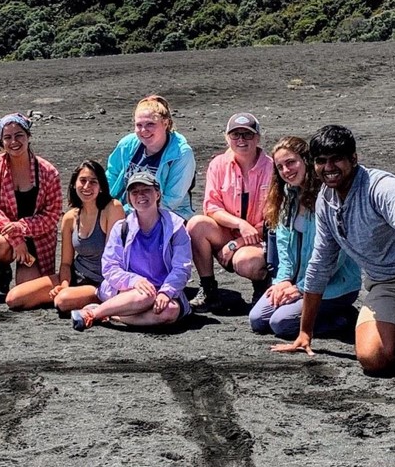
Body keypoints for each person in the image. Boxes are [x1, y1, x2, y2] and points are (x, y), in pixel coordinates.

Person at [273, 125, 395, 384]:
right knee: (373, 359)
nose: (329, 167)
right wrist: (305, 332)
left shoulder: (381, 187)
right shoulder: (326, 201)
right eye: (321, 161)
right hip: (386, 284)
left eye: (336, 159)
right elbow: (320, 264)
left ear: (354, 159)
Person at [249, 136, 360, 339]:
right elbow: (283, 247)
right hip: (297, 281)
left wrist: (301, 289)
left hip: (334, 285)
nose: (286, 171)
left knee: (281, 324)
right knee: (258, 320)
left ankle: (345, 318)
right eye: (280, 167)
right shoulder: (287, 198)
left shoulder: (328, 198)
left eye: (291, 162)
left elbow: (334, 257)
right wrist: (282, 281)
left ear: (306, 160)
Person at [70, 171, 192, 331]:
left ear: (157, 194)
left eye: (146, 190)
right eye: (135, 192)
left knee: (170, 311)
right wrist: (135, 281)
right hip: (129, 290)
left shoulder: (175, 227)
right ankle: (92, 314)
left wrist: (166, 292)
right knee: (145, 295)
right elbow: (109, 267)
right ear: (129, 199)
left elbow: (182, 268)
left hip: (163, 289)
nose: (140, 195)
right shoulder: (122, 228)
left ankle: (111, 314)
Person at [186, 112, 274, 311]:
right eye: (235, 135)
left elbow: (273, 220)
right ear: (227, 138)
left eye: (247, 134)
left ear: (258, 137)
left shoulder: (272, 168)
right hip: (229, 232)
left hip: (260, 238)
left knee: (247, 262)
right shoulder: (218, 164)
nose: (241, 140)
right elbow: (211, 206)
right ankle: (208, 290)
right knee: (196, 225)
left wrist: (238, 242)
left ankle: (262, 285)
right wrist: (240, 225)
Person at [0, 113, 62, 309]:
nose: (14, 142)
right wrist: (16, 239)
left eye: (19, 135)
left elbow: (52, 216)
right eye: (7, 137)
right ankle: (4, 268)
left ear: (28, 136)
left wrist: (22, 228)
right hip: (4, 235)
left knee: (26, 293)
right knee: (0, 246)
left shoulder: (48, 172)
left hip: (38, 236)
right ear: (0, 141)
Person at [106, 95, 197, 220]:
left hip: (167, 214)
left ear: (165, 123)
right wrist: (105, 206)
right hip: (124, 210)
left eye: (150, 124)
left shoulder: (181, 154)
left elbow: (172, 200)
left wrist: (127, 215)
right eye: (139, 125)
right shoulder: (127, 144)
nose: (144, 130)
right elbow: (111, 176)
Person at [51, 160, 125, 313]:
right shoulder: (70, 217)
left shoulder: (112, 208)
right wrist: (64, 285)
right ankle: (72, 294)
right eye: (82, 181)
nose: (86, 187)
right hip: (76, 275)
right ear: (74, 184)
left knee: (62, 301)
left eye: (93, 182)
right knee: (15, 298)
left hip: (101, 282)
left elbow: (115, 258)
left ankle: (103, 300)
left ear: (101, 186)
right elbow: (65, 263)